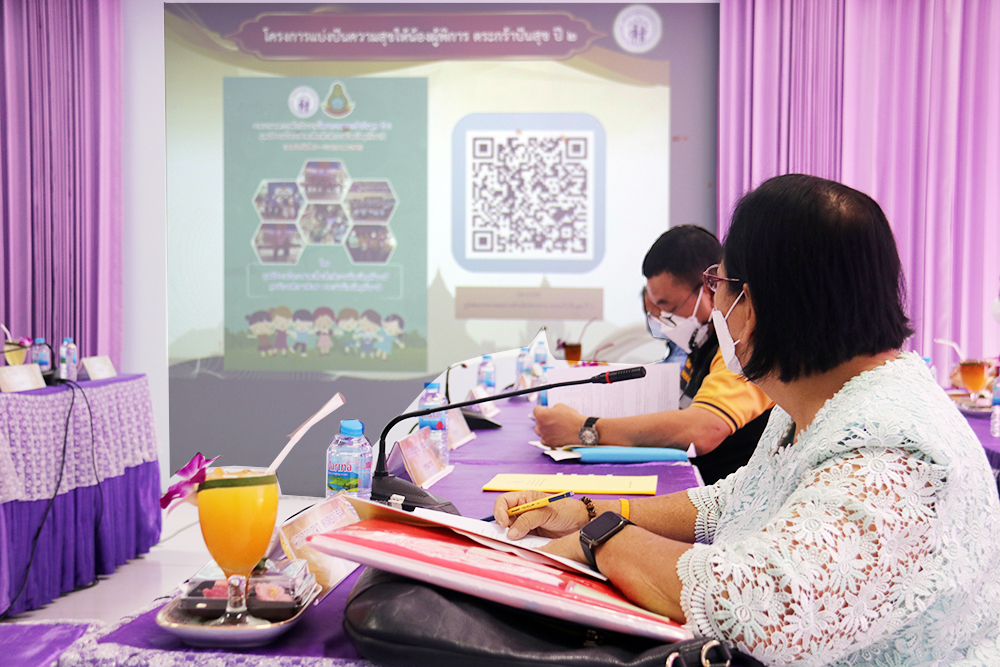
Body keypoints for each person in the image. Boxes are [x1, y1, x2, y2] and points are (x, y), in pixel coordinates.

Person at [495, 174, 1000, 666]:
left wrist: (602, 540)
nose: (715, 304)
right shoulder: (817, 403)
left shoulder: (892, 450)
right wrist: (586, 509)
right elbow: (732, 503)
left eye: (717, 284)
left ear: (751, 304)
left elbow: (762, 608)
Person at [534, 225, 774, 484]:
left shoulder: (742, 344)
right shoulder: (703, 344)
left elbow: (704, 428)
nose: (662, 320)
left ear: (710, 287)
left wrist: (585, 429)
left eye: (668, 307)